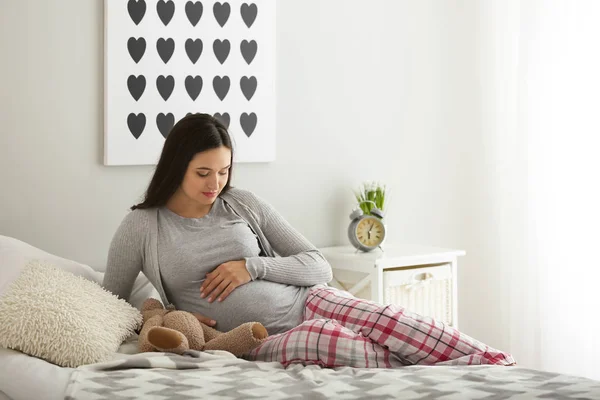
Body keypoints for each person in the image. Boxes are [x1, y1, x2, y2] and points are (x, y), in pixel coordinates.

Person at [103, 113, 515, 368]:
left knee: (394, 321)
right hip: (261, 339)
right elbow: (111, 303)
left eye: (224, 171)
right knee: (334, 342)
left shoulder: (242, 204)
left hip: (308, 298)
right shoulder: (143, 227)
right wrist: (165, 311)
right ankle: (457, 372)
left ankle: (493, 363)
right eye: (203, 173)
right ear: (177, 167)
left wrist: (252, 267)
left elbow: (319, 266)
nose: (216, 184)